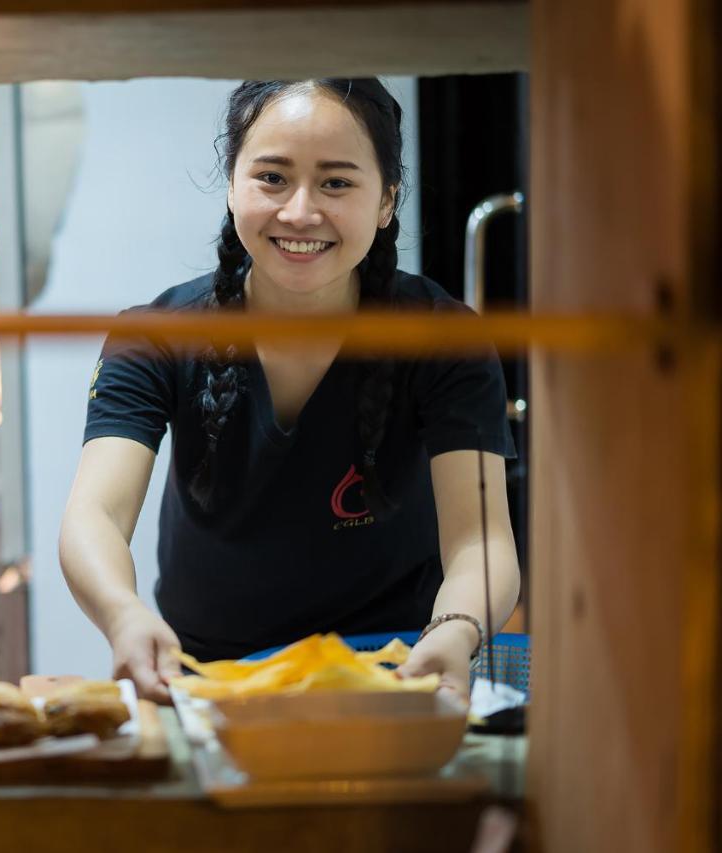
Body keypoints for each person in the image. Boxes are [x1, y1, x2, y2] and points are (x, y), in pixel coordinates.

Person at [58, 78, 521, 706]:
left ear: (386, 201)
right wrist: (123, 615)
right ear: (231, 185)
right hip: (206, 679)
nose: (300, 212)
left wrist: (456, 630)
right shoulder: (156, 335)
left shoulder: (442, 338)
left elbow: (480, 539)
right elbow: (96, 515)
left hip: (394, 673)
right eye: (272, 178)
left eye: (336, 182)